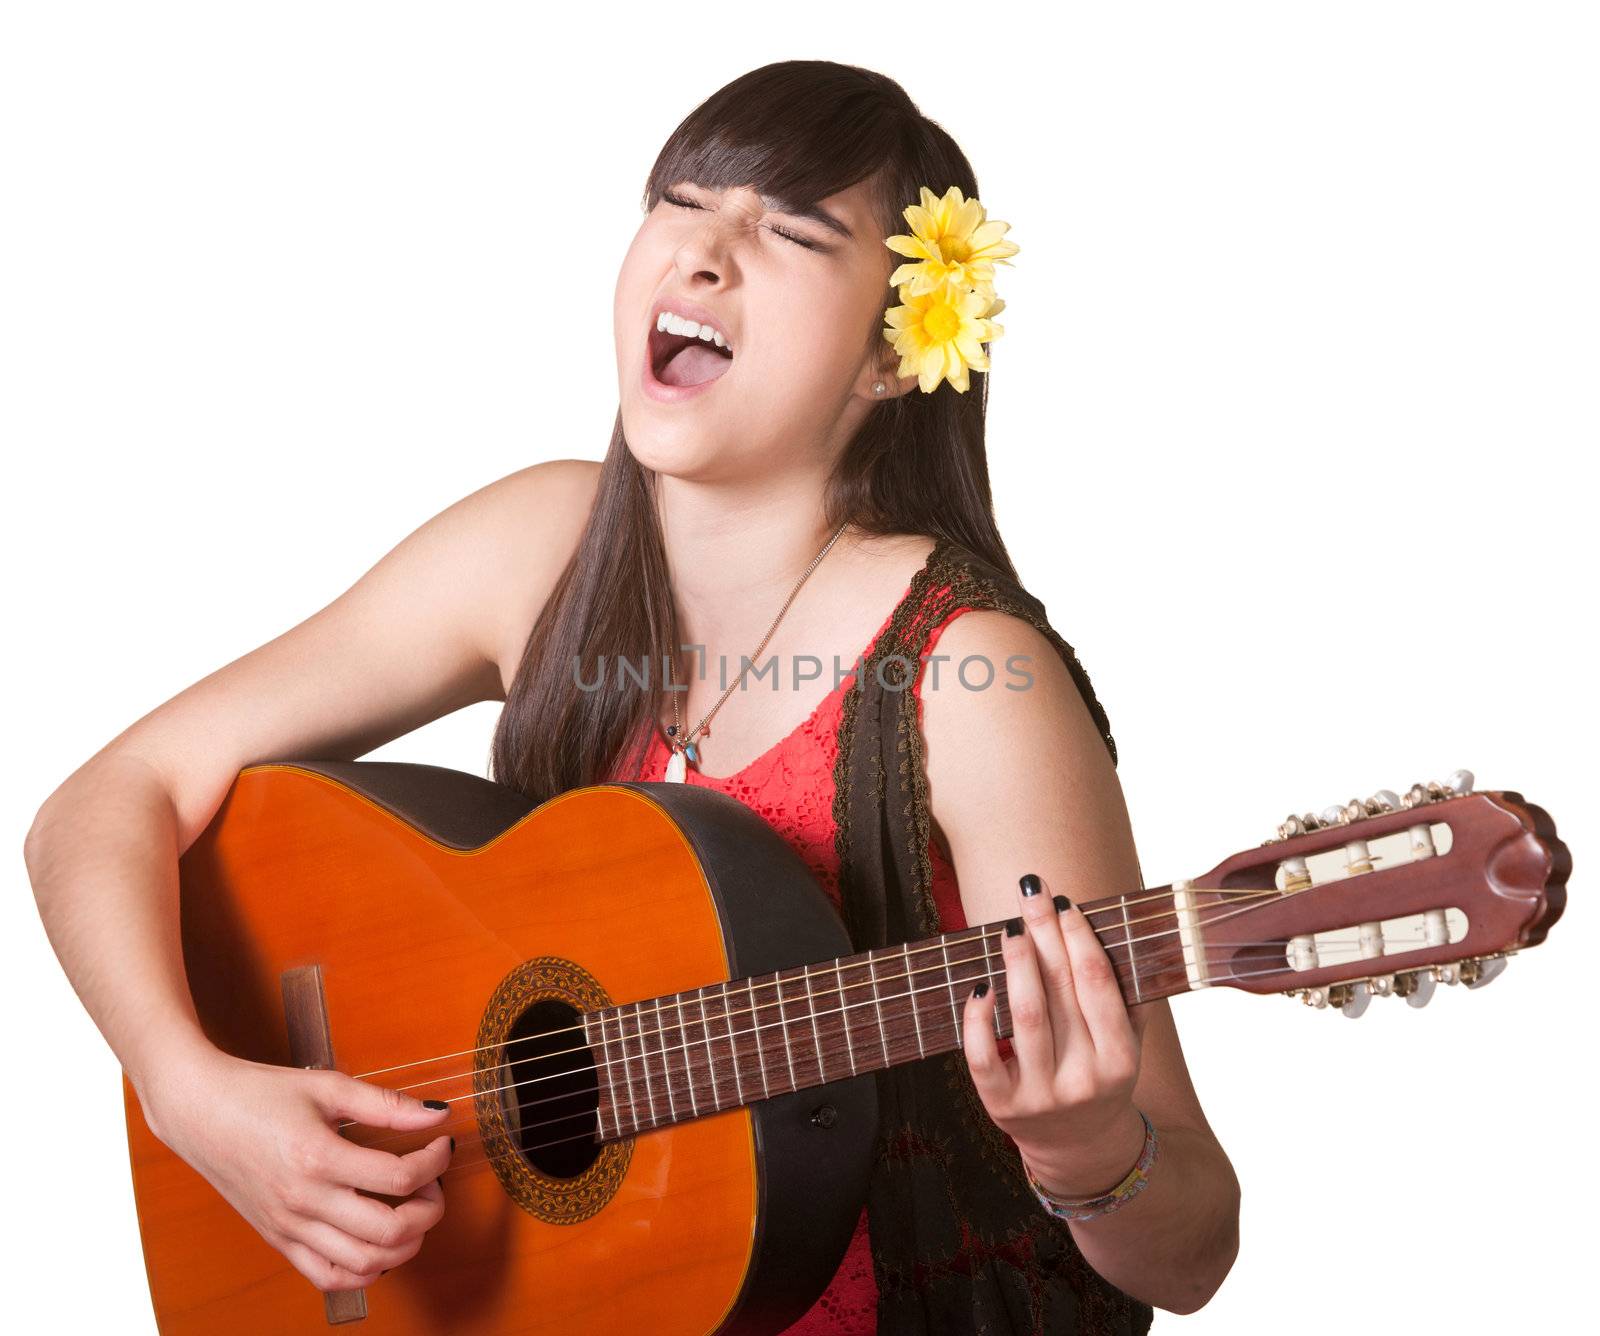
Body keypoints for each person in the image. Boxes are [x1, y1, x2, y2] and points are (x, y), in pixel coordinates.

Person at [25, 59, 1238, 1333]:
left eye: (789, 229)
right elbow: (103, 804)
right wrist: (193, 1091)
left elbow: (1191, 1249)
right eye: (681, 200)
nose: (704, 255)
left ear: (893, 355)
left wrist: (1088, 1149)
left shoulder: (971, 682)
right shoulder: (534, 551)